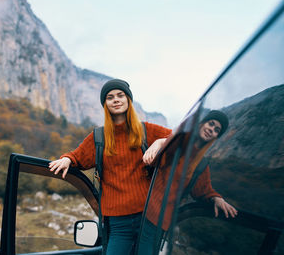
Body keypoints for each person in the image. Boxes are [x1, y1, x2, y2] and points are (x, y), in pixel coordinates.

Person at [49, 79, 172, 255]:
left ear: (128, 100)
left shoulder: (147, 130)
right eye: (110, 97)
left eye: (120, 95)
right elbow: (77, 156)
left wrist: (160, 142)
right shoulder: (98, 137)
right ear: (105, 104)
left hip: (149, 217)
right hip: (118, 222)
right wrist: (67, 159)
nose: (116, 100)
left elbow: (181, 137)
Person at [138, 110, 238, 254]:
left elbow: (203, 189)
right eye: (211, 124)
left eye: (217, 130)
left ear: (216, 137)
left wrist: (216, 198)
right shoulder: (180, 143)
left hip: (163, 223)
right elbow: (161, 153)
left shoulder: (201, 164)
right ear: (202, 123)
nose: (211, 130)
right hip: (145, 213)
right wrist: (159, 142)